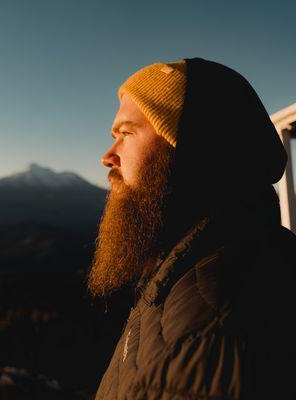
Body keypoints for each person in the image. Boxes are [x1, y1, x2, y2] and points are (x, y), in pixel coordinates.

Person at [86, 57, 296, 400]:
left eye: (126, 133)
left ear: (192, 150)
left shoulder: (212, 333)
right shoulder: (177, 275)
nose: (107, 155)